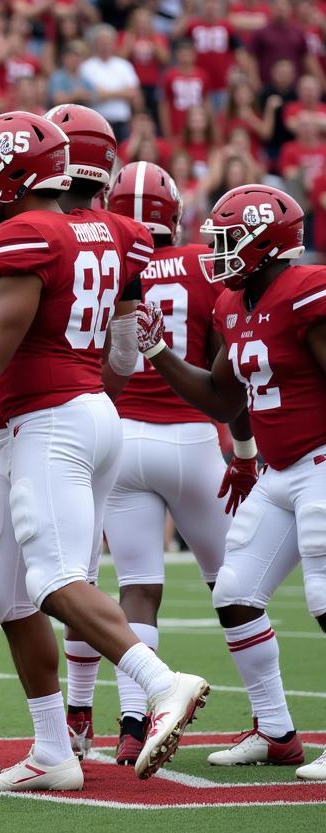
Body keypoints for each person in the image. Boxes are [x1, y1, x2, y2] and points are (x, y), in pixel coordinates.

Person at [0, 110, 211, 784]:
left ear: (25, 170)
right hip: (76, 416)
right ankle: (54, 751)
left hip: (49, 423)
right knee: (9, 597)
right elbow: (121, 356)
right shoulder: (121, 234)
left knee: (55, 580)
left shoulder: (23, 233)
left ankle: (160, 682)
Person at [134, 183, 326, 782]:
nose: (216, 251)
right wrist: (161, 351)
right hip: (280, 469)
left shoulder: (306, 292)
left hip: (321, 461)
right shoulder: (230, 304)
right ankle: (276, 732)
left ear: (266, 243)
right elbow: (223, 398)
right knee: (236, 591)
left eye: (227, 238)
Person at [79, 161, 267, 765]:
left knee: (137, 590)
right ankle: (274, 721)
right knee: (234, 586)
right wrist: (243, 450)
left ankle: (135, 723)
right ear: (175, 212)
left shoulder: (102, 256)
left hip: (123, 439)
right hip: (192, 440)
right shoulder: (202, 267)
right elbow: (226, 375)